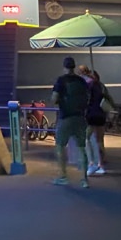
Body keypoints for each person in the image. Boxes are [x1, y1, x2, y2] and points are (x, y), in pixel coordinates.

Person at [51, 56, 91, 188]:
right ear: (74, 66)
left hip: (66, 117)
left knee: (60, 147)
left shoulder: (61, 80)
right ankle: (84, 179)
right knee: (81, 148)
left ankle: (63, 176)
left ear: (64, 66)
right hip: (80, 118)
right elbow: (87, 97)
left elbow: (54, 99)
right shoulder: (81, 80)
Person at [84, 70, 116, 176]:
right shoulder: (102, 86)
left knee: (87, 138)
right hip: (101, 115)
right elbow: (109, 98)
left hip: (91, 115)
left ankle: (92, 163)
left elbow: (86, 100)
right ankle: (101, 165)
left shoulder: (89, 86)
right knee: (100, 140)